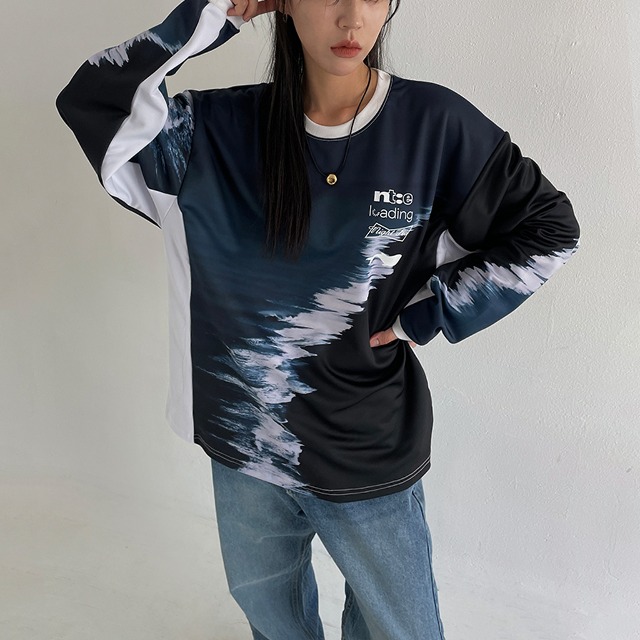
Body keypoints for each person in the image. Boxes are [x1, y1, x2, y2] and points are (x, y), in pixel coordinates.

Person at [56, 0, 580, 637]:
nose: (352, 18)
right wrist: (217, 11)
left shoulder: (433, 126)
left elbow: (549, 230)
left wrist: (430, 313)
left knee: (400, 630)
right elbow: (95, 98)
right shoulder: (208, 134)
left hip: (367, 448)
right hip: (242, 443)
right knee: (274, 622)